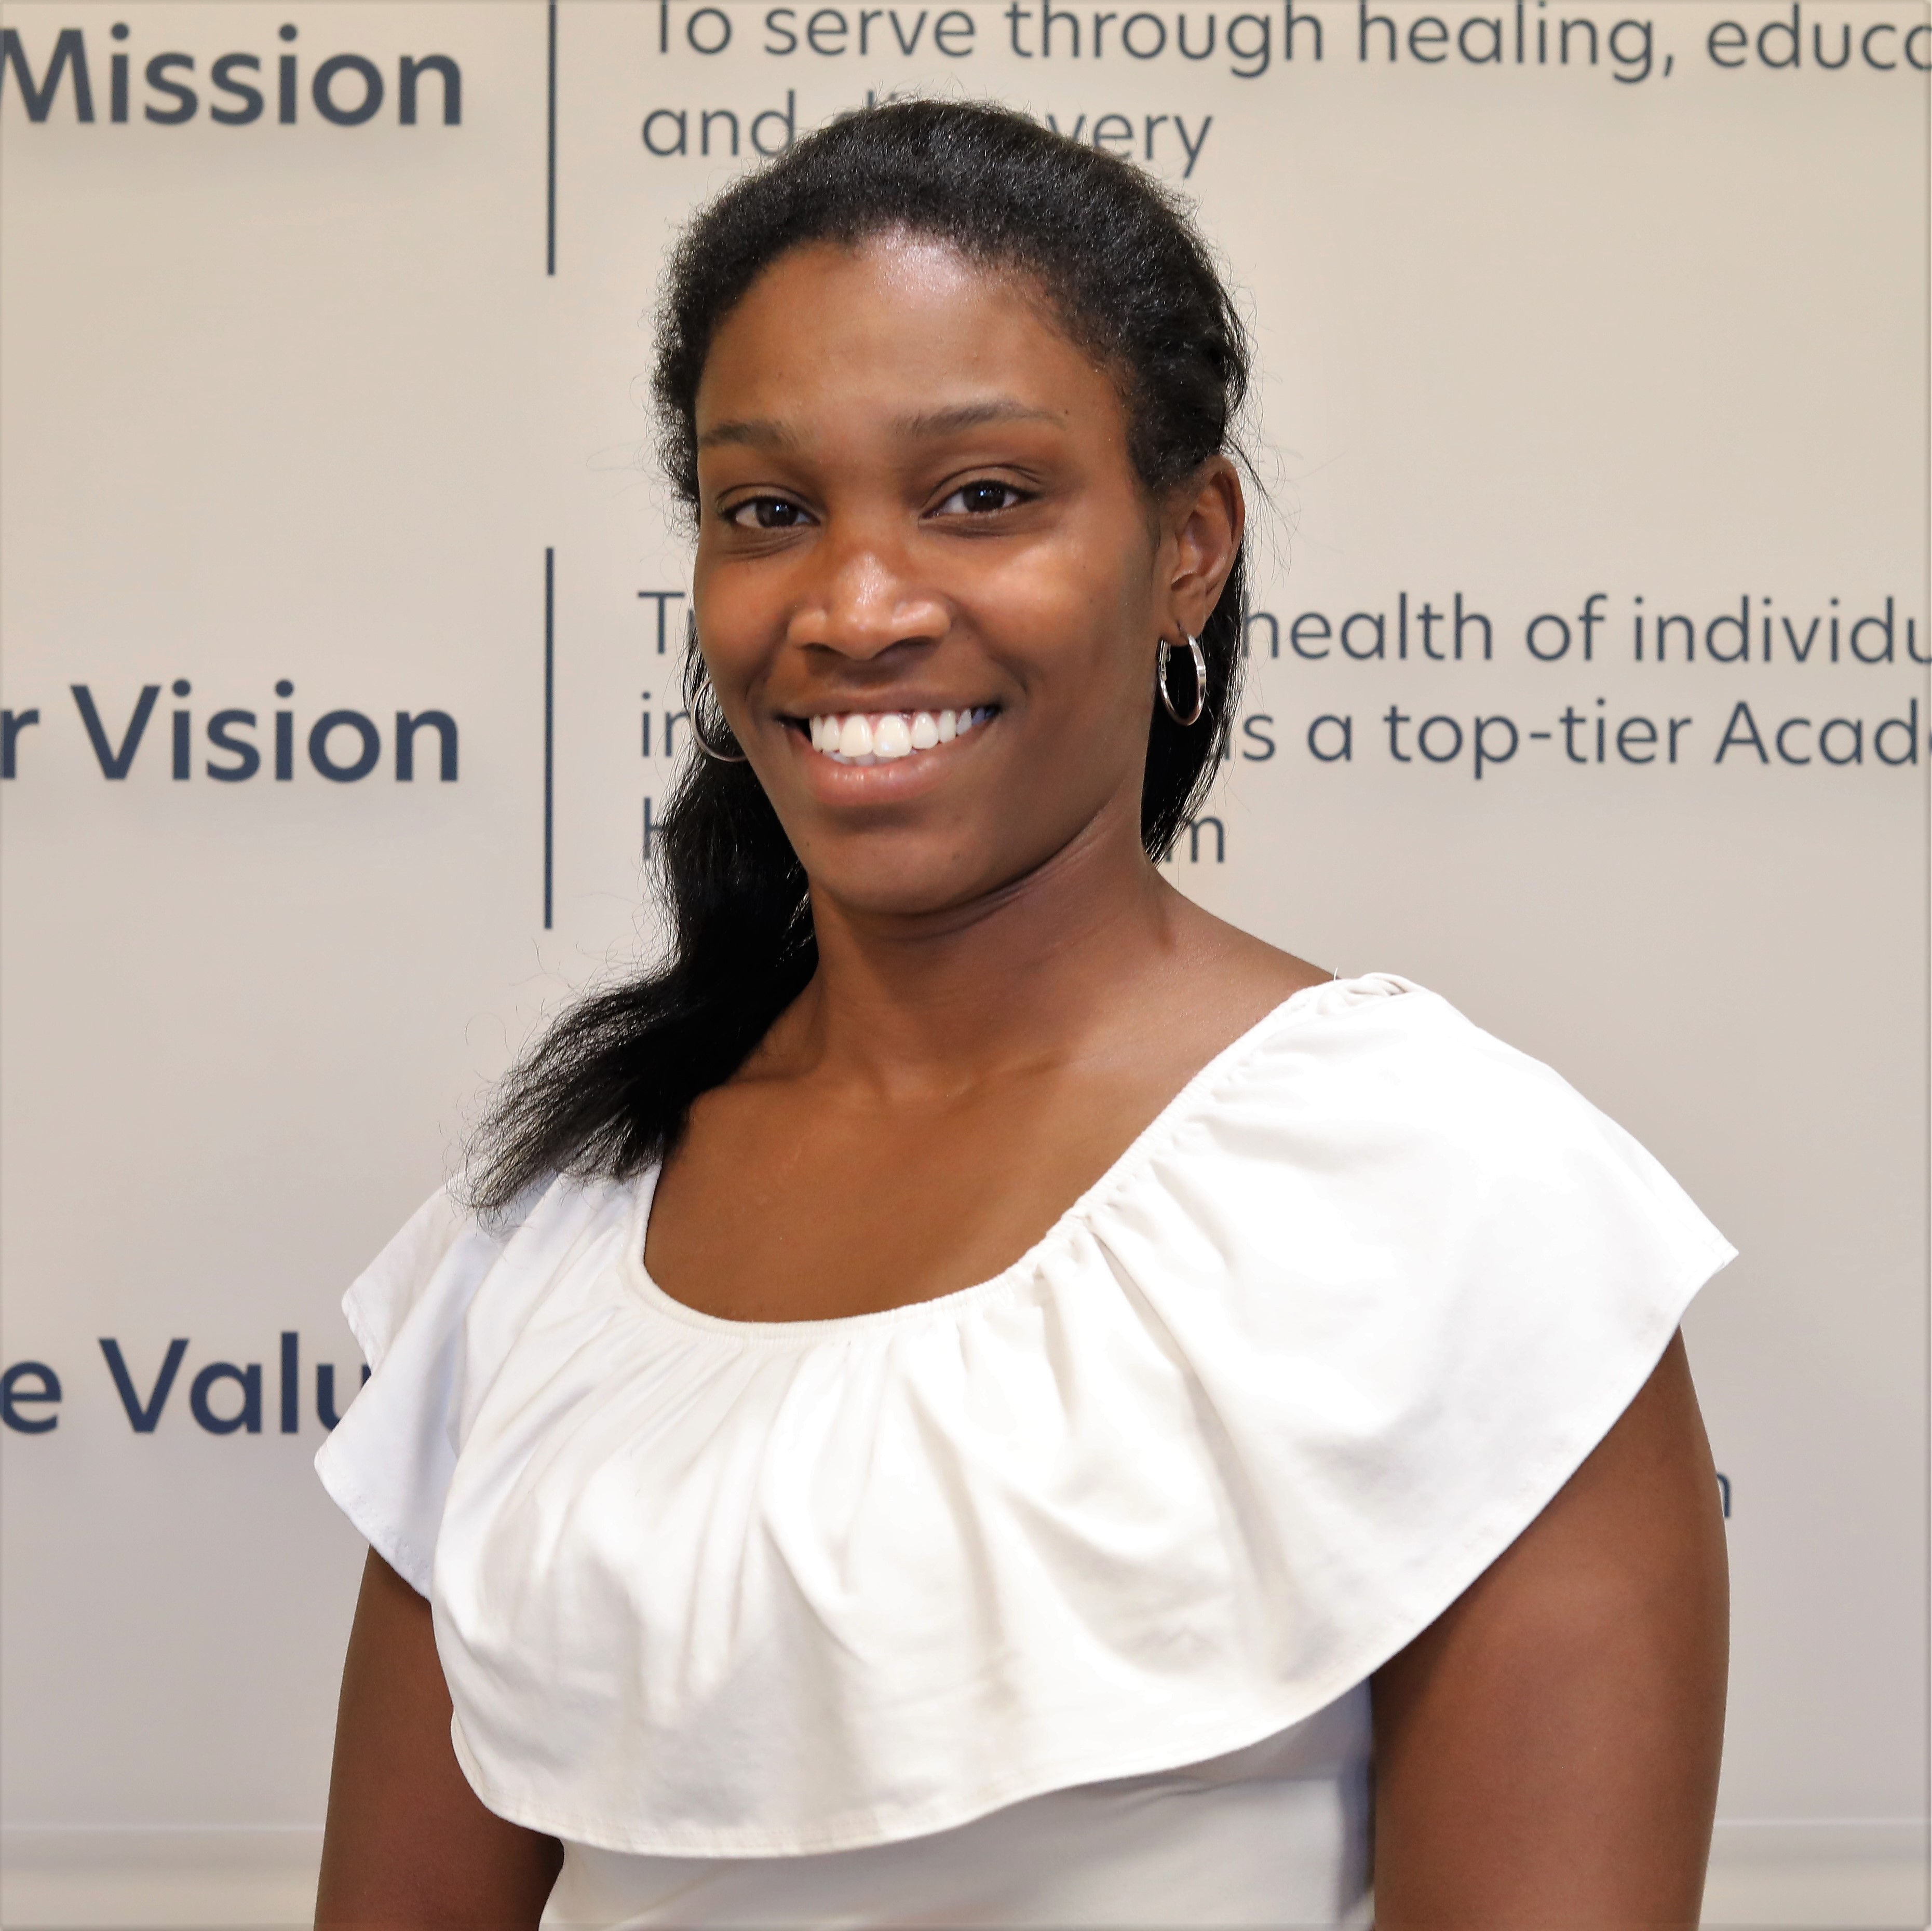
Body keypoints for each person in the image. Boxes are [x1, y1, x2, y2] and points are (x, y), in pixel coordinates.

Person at [312, 100, 1732, 1929]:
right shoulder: (541, 1244)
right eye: (768, 510)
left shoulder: (1459, 1204)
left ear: (1188, 542)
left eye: (981, 496)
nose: (853, 603)